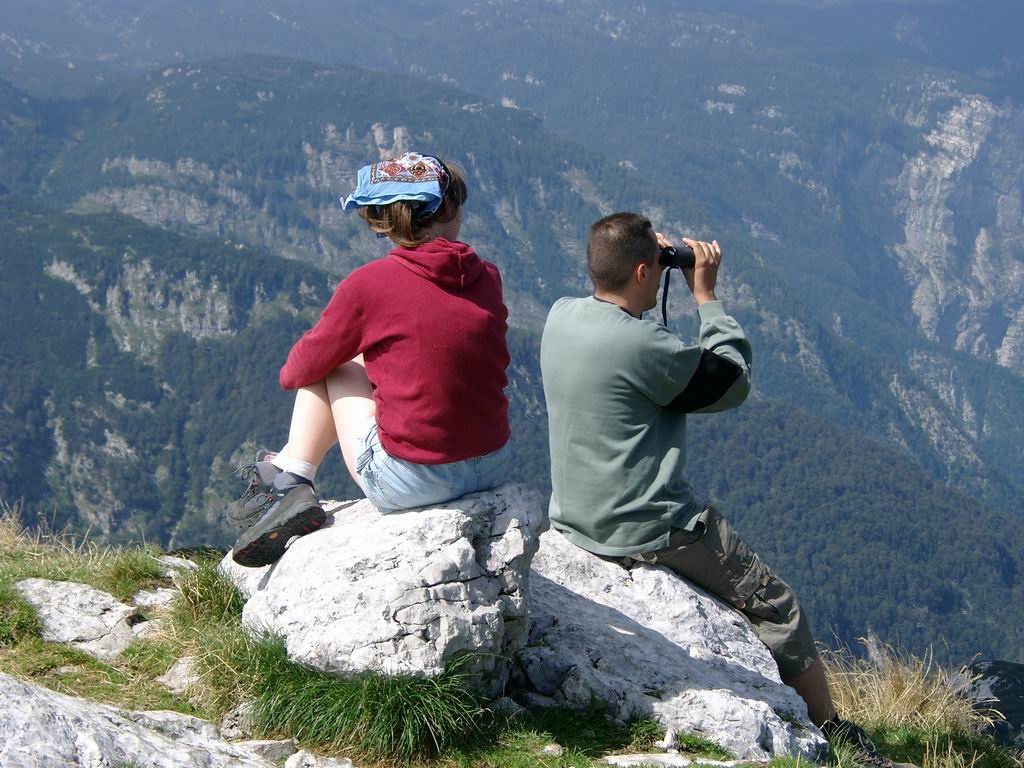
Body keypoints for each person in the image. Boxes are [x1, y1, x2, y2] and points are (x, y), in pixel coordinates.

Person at [540, 212, 902, 768]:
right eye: (653, 265)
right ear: (645, 269)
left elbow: (617, 304)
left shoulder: (561, 317)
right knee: (778, 606)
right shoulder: (644, 347)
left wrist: (640, 265)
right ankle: (830, 729)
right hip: (647, 525)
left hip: (573, 516)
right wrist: (705, 295)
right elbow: (731, 380)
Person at [228, 152, 511, 568]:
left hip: (413, 483)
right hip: (492, 463)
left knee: (337, 363)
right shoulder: (487, 276)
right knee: (374, 354)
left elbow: (299, 372)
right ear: (450, 209)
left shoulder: (369, 285)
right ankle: (290, 473)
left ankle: (291, 477)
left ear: (382, 220)